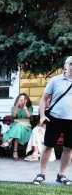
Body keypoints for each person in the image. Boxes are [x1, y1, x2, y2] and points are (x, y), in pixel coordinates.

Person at [33, 56, 72, 186]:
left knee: (68, 148)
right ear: (65, 66)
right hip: (55, 118)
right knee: (48, 146)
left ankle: (62, 175)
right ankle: (41, 174)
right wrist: (42, 116)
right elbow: (44, 99)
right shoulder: (55, 80)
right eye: (71, 63)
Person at [0, 93, 33, 160]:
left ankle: (8, 142)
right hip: (15, 127)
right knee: (18, 127)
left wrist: (25, 109)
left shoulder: (29, 108)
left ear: (26, 100)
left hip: (26, 128)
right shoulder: (14, 107)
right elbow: (13, 117)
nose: (21, 100)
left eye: (23, 99)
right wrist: (16, 106)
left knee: (18, 126)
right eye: (20, 99)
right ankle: (15, 151)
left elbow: (28, 117)